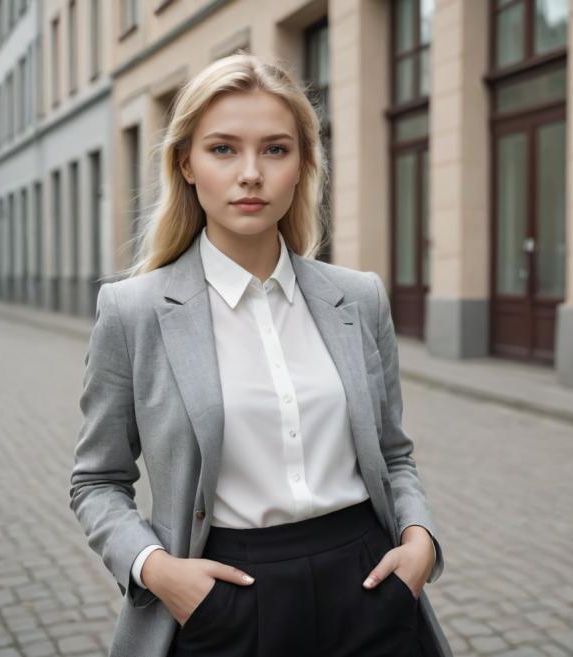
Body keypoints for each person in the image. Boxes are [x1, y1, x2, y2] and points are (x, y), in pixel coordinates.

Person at [69, 52, 452, 657]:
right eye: (223, 149)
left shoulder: (357, 298)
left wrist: (420, 537)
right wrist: (156, 569)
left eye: (276, 149)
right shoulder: (134, 311)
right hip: (225, 597)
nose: (251, 173)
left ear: (302, 166)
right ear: (186, 164)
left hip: (371, 583)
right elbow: (97, 480)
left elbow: (392, 453)